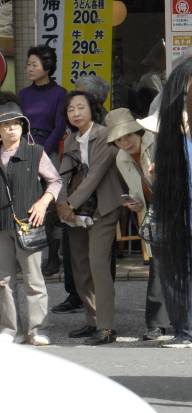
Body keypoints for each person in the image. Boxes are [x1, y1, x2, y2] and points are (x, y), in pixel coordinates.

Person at [55, 90, 127, 345]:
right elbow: (62, 175)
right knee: (80, 269)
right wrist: (62, 203)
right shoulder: (71, 139)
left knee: (98, 265)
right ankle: (92, 321)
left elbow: (94, 176)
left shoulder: (105, 135)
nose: (75, 113)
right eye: (71, 109)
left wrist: (69, 204)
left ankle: (106, 328)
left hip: (103, 208)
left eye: (80, 107)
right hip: (75, 213)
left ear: (92, 109)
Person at [0, 97, 62, 346]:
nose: (11, 128)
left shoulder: (35, 152)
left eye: (16, 124)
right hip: (1, 226)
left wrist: (43, 202)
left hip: (29, 224)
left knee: (34, 278)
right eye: (5, 125)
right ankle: (7, 329)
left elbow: (55, 181)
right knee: (3, 281)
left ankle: (37, 329)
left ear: (23, 127)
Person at [105, 108, 170, 341]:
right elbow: (136, 190)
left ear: (138, 131)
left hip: (174, 208)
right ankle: (156, 324)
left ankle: (185, 320)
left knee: (182, 263)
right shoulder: (121, 158)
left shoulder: (158, 143)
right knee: (158, 265)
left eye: (128, 136)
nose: (125, 142)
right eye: (119, 139)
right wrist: (134, 203)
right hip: (151, 213)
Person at [18, 46, 68, 277]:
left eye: (34, 64)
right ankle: (25, 250)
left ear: (47, 67)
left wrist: (42, 152)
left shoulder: (60, 93)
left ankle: (54, 256)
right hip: (25, 150)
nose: (29, 68)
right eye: (28, 64)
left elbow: (59, 127)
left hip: (48, 150)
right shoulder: (23, 95)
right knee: (24, 200)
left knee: (51, 206)